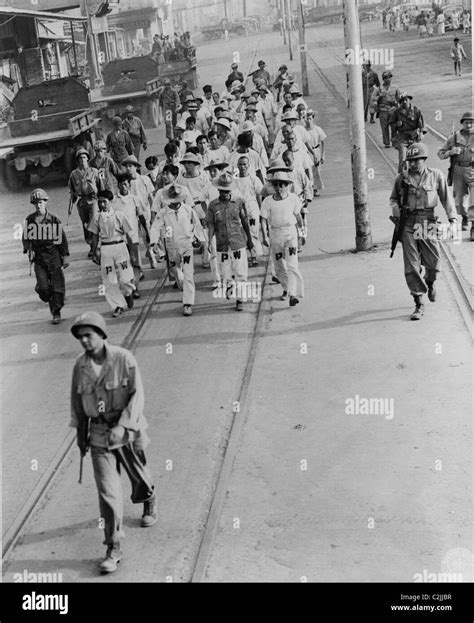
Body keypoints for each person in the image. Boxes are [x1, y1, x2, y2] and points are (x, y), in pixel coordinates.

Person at [70, 311, 157, 575]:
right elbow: (77, 403)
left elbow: (137, 396)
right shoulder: (80, 366)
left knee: (140, 478)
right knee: (108, 494)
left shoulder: (123, 358)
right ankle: (113, 547)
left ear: (101, 334)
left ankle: (149, 500)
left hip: (128, 431)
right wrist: (80, 435)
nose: (84, 340)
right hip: (98, 435)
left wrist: (124, 426)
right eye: (80, 336)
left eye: (89, 335)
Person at [389, 143, 457, 320]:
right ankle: (418, 302)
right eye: (410, 161)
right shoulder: (401, 179)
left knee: (433, 265)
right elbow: (393, 199)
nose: (412, 164)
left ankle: (430, 282)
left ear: (424, 160)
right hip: (408, 224)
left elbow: (445, 197)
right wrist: (396, 211)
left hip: (427, 221)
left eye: (416, 160)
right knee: (411, 266)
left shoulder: (436, 176)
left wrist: (452, 218)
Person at [154, 185, 204, 316]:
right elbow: (155, 228)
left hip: (187, 246)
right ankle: (179, 279)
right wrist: (154, 243)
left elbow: (197, 225)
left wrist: (199, 238)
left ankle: (187, 304)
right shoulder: (163, 213)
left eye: (178, 200)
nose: (175, 204)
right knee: (175, 271)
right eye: (173, 201)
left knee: (188, 275)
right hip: (171, 247)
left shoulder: (187, 210)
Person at [207, 172, 253, 311]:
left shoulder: (238, 202)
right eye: (223, 191)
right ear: (219, 190)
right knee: (225, 273)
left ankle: (240, 300)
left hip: (237, 242)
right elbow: (211, 224)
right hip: (222, 244)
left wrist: (249, 239)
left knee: (240, 271)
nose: (225, 193)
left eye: (228, 191)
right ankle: (230, 286)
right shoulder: (213, 206)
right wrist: (210, 241)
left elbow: (244, 221)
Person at [22, 188, 69, 324]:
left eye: (41, 202)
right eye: (36, 203)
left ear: (45, 202)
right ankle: (44, 292)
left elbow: (62, 238)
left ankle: (56, 312)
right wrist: (28, 248)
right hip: (39, 258)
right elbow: (25, 237)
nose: (38, 205)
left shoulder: (54, 219)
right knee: (43, 288)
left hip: (54, 255)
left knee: (57, 286)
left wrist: (65, 256)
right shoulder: (30, 220)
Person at [88, 190, 137, 318]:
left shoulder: (119, 215)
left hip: (120, 247)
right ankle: (117, 306)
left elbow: (129, 236)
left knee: (125, 277)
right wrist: (94, 252)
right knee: (109, 280)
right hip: (106, 249)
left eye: (104, 202)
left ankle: (128, 292)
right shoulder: (97, 218)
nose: (102, 205)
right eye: (99, 202)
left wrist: (132, 254)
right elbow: (94, 236)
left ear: (111, 202)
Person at [260, 171, 304, 307]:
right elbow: (263, 219)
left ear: (287, 186)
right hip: (275, 234)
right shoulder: (267, 201)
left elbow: (298, 217)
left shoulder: (293, 198)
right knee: (279, 265)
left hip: (290, 233)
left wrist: (302, 233)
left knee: (292, 264)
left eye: (282, 185)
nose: (279, 187)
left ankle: (293, 294)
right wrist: (265, 236)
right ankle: (286, 288)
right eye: (276, 185)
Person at [438, 111, 474, 239]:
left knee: (473, 200)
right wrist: (451, 152)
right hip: (458, 171)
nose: (469, 124)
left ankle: (473, 226)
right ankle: (465, 217)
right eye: (467, 122)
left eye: (471, 122)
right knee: (459, 201)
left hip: (473, 170)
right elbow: (440, 153)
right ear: (462, 123)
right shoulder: (453, 138)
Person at [113, 174, 147, 299]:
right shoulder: (114, 201)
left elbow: (141, 217)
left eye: (126, 184)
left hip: (133, 237)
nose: (124, 187)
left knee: (135, 263)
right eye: (121, 184)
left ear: (129, 185)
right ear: (118, 185)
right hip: (119, 239)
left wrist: (147, 232)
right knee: (124, 265)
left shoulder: (134, 199)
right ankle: (128, 287)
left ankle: (135, 287)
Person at [122, 155, 155, 269]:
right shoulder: (126, 183)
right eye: (126, 166)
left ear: (136, 167)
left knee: (147, 235)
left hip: (145, 212)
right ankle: (138, 266)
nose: (128, 168)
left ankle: (151, 254)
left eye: (130, 166)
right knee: (134, 240)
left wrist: (153, 210)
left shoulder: (144, 179)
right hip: (132, 214)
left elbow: (150, 196)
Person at [68, 147, 100, 256]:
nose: (82, 160)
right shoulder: (74, 174)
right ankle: (91, 245)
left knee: (93, 223)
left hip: (93, 200)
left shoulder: (94, 171)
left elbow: (101, 187)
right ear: (78, 160)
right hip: (82, 202)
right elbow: (72, 189)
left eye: (84, 157)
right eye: (80, 158)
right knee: (86, 225)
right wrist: (73, 197)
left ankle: (95, 249)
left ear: (87, 158)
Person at [233, 154, 263, 266]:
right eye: (240, 164)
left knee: (253, 231)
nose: (242, 167)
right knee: (242, 232)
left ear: (249, 165)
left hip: (252, 207)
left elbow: (259, 195)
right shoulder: (234, 180)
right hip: (239, 208)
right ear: (237, 165)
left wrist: (260, 211)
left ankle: (254, 255)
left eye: (244, 164)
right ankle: (245, 255)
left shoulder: (253, 179)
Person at [390, 93, 425, 173]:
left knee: (417, 158)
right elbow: (392, 124)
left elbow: (422, 124)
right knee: (403, 158)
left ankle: (418, 174)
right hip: (402, 138)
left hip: (414, 138)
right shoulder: (397, 112)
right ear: (400, 103)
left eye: (406, 100)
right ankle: (401, 176)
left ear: (409, 100)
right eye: (402, 101)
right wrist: (396, 124)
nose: (405, 102)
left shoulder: (416, 110)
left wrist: (421, 133)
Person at [372, 71, 400, 148]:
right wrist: (379, 97)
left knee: (394, 127)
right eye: (386, 78)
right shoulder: (379, 89)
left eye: (389, 77)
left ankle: (394, 141)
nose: (388, 79)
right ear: (383, 79)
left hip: (393, 110)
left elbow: (399, 98)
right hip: (383, 110)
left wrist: (398, 108)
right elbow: (373, 98)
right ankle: (386, 143)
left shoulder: (395, 88)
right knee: (384, 127)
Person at [305, 109, 326, 196]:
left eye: (310, 118)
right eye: (307, 119)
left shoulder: (317, 129)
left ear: (313, 119)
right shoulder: (304, 130)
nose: (308, 121)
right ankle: (311, 188)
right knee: (309, 170)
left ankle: (316, 189)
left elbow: (323, 142)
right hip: (307, 152)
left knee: (317, 170)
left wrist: (322, 155)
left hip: (316, 150)